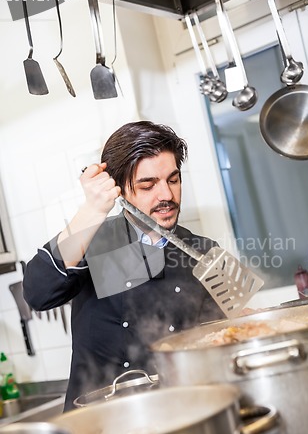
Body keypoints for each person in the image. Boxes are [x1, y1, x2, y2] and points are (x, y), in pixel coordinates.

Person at [23, 121, 224, 411]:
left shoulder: (203, 251)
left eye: (173, 179)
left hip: (179, 415)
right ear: (120, 189)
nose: (166, 195)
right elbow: (38, 293)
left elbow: (216, 337)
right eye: (148, 184)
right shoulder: (92, 239)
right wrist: (92, 210)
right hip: (100, 423)